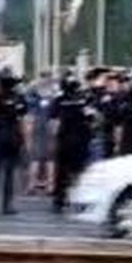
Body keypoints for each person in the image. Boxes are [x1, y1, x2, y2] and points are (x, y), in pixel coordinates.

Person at [0, 69, 28, 215]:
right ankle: (6, 205)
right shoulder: (18, 98)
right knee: (8, 171)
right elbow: (22, 115)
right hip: (11, 133)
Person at [51, 74, 94, 213]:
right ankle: (79, 199)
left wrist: (55, 138)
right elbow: (91, 118)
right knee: (79, 172)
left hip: (64, 140)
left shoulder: (58, 100)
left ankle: (59, 200)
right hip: (80, 140)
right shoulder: (84, 100)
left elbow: (53, 123)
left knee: (61, 172)